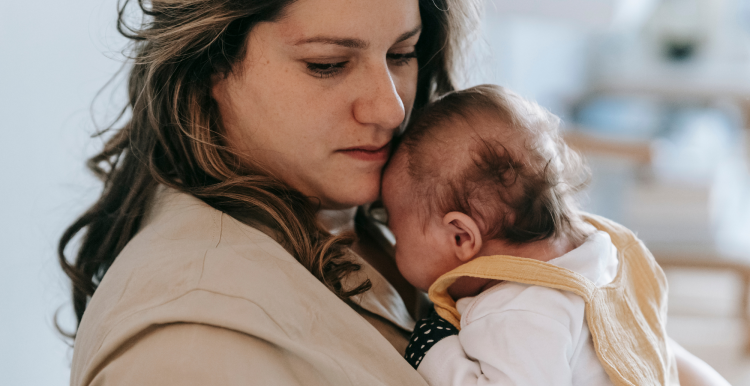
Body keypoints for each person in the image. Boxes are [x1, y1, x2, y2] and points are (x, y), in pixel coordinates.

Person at [56, 0, 730, 384]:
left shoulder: (356, 210)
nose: (387, 106)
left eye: (402, 54)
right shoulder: (188, 348)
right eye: (328, 64)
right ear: (209, 66)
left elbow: (633, 349)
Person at [381, 85, 676, 385]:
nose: (392, 246)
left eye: (393, 229)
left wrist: (434, 353)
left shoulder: (515, 311)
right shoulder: (605, 256)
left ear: (461, 237)